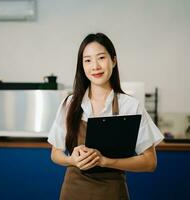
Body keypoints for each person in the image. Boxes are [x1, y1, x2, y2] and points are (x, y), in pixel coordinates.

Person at [47, 33, 164, 200]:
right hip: (73, 192)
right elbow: (55, 154)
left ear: (113, 61)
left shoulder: (130, 106)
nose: (95, 66)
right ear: (82, 66)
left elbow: (150, 162)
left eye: (101, 57)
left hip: (112, 193)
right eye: (87, 60)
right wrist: (72, 160)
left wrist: (105, 161)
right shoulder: (70, 103)